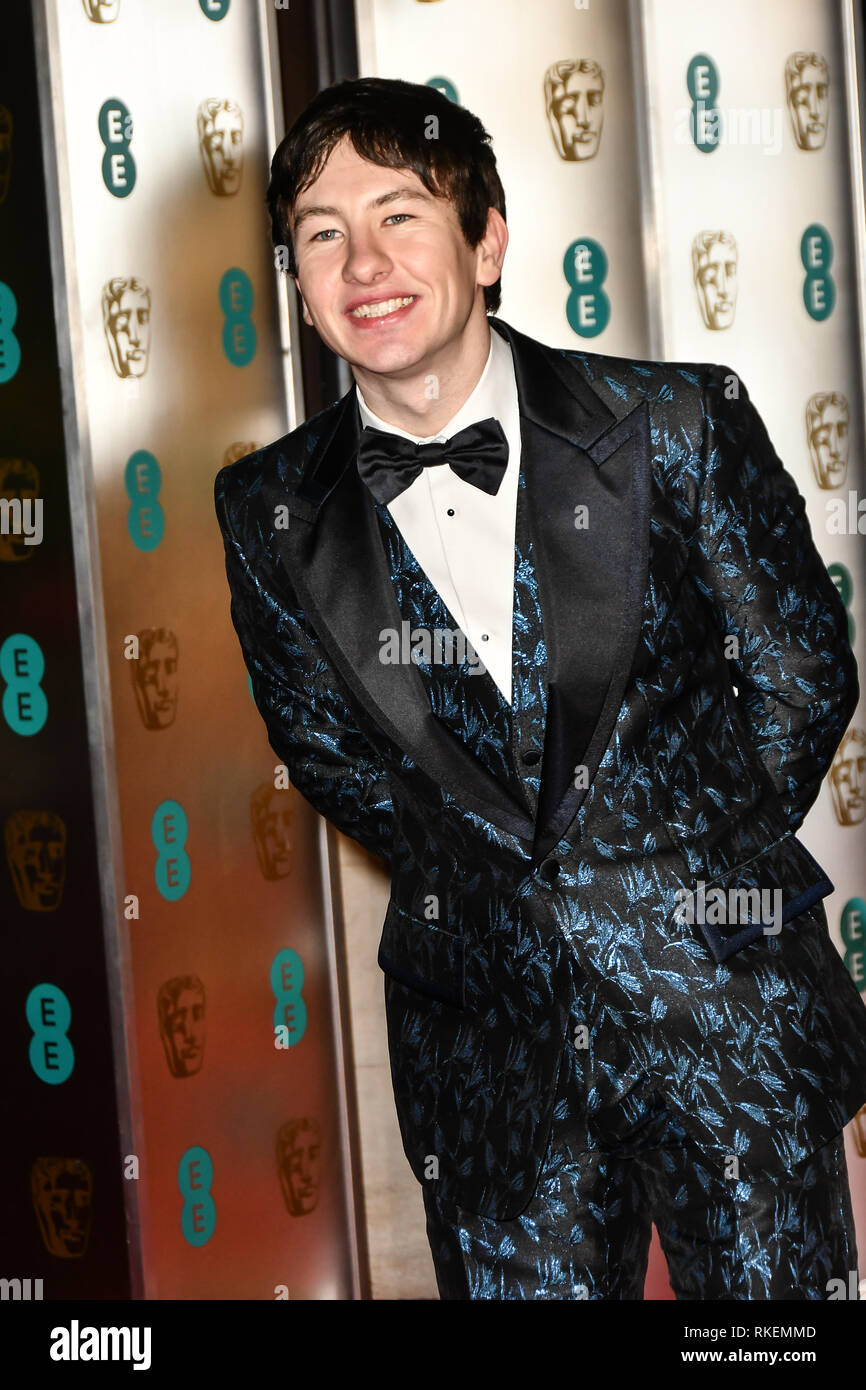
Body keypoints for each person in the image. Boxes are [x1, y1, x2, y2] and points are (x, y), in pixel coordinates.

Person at [214, 76, 866, 1300]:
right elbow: (329, 753)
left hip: (720, 1005)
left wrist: (672, 872)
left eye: (399, 214)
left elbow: (797, 673)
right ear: (295, 280)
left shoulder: (674, 420)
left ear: (487, 239)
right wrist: (496, 888)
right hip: (487, 1048)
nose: (362, 261)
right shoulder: (267, 509)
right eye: (319, 233)